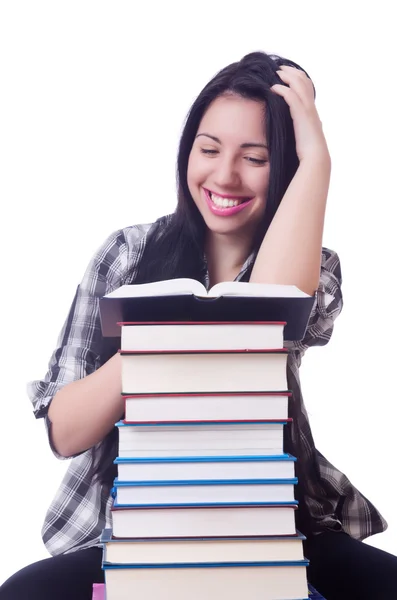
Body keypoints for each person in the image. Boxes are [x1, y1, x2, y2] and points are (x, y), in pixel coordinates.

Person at [1, 50, 396, 600]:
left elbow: (271, 310)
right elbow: (64, 433)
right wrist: (159, 340)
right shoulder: (127, 252)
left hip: (275, 528)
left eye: (256, 157)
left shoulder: (311, 263)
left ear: (285, 167)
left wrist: (319, 163)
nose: (224, 175)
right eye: (208, 149)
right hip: (133, 532)